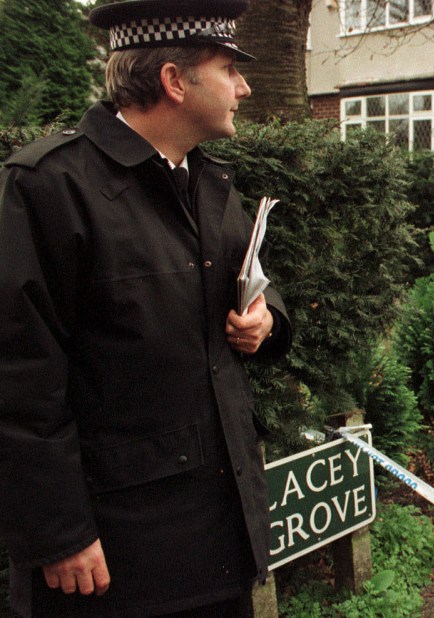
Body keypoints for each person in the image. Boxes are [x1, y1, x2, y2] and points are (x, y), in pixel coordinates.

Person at [0, 1, 292, 615]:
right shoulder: (49, 187)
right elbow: (18, 376)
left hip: (219, 539)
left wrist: (266, 320)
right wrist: (60, 534)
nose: (244, 86)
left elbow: (258, 284)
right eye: (229, 68)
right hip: (113, 565)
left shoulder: (211, 183)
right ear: (174, 81)